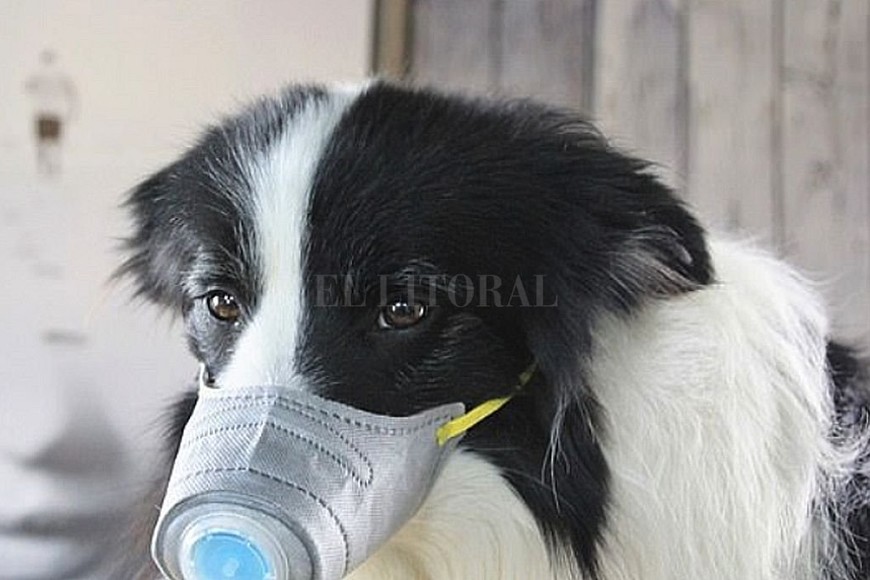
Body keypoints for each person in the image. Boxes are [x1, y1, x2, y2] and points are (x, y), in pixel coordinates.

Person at [24, 50, 78, 177]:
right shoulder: (61, 74)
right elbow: (71, 93)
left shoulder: (38, 73)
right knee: (54, 142)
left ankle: (43, 166)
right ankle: (54, 166)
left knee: (42, 141)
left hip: (42, 112)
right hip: (56, 113)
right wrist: (72, 111)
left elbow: (27, 87)